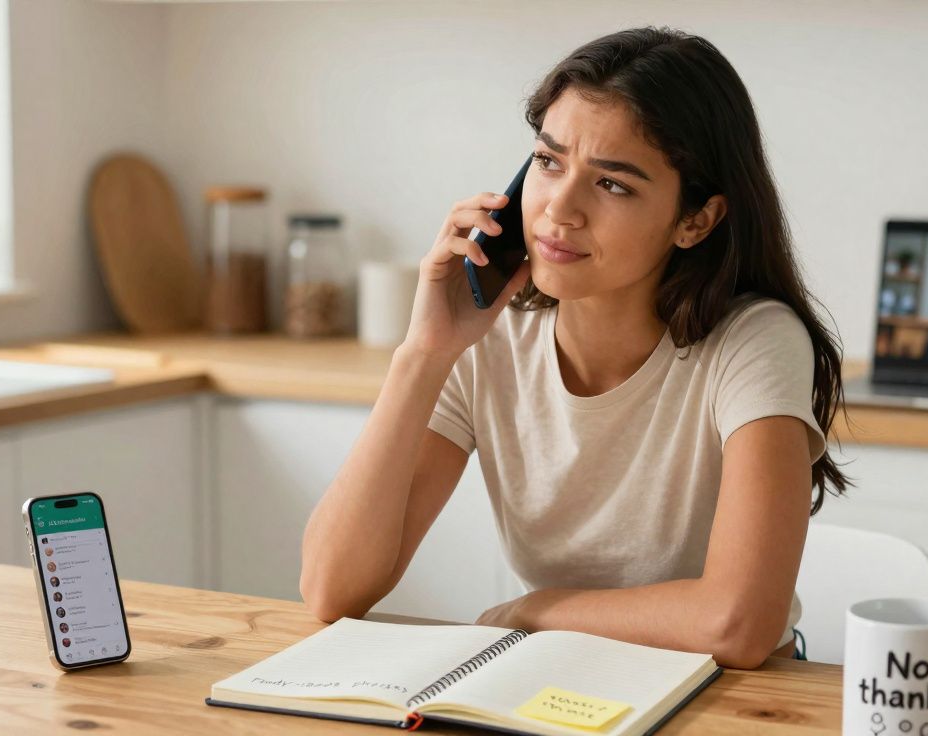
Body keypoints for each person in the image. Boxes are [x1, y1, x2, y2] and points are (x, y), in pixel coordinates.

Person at [300, 26, 849, 669]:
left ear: (695, 220)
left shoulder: (754, 342)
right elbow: (331, 588)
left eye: (612, 184)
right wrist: (423, 353)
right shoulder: (491, 336)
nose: (559, 209)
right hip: (565, 687)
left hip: (731, 702)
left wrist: (538, 611)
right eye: (548, 160)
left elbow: (739, 624)